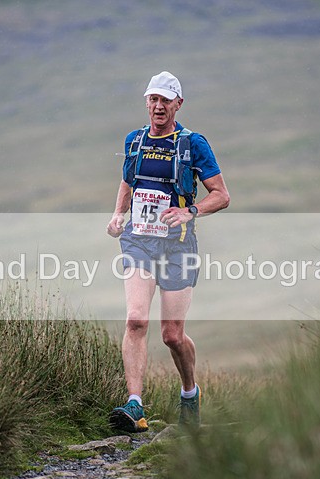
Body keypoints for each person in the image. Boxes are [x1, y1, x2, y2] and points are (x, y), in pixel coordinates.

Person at [105, 71, 230, 432]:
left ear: (178, 104)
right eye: (152, 99)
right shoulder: (135, 140)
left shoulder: (193, 144)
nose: (158, 106)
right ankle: (135, 405)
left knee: (172, 334)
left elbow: (221, 195)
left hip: (178, 246)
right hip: (139, 240)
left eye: (165, 100)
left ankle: (190, 392)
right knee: (136, 320)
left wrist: (190, 211)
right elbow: (128, 182)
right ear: (146, 102)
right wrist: (117, 215)